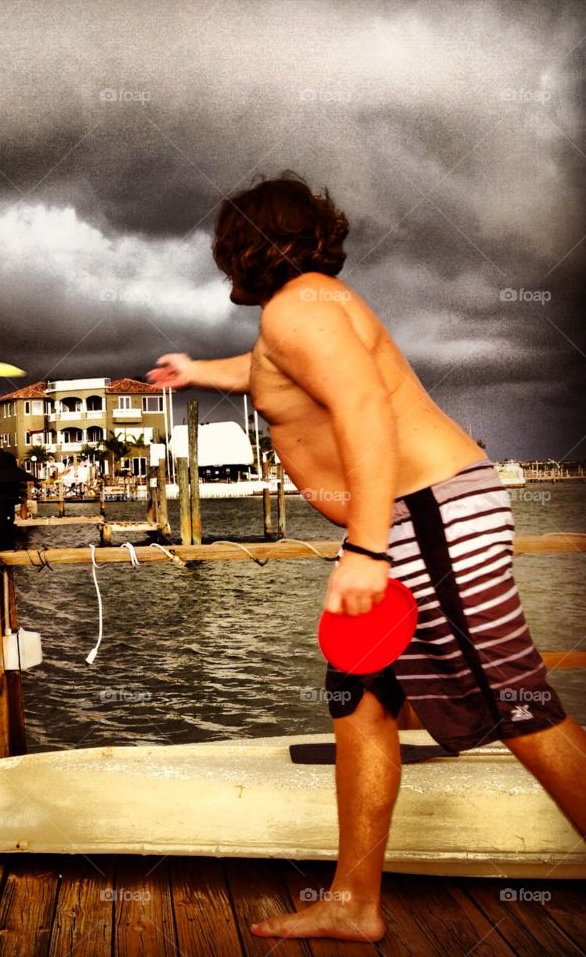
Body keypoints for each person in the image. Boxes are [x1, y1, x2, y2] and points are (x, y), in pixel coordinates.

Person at [147, 172, 586, 943]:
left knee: (518, 704)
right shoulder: (305, 312)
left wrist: (365, 549)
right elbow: (276, 378)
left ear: (240, 249)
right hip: (413, 518)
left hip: (423, 519)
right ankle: (355, 901)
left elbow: (363, 414)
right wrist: (198, 372)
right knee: (361, 701)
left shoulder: (297, 313)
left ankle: (356, 897)